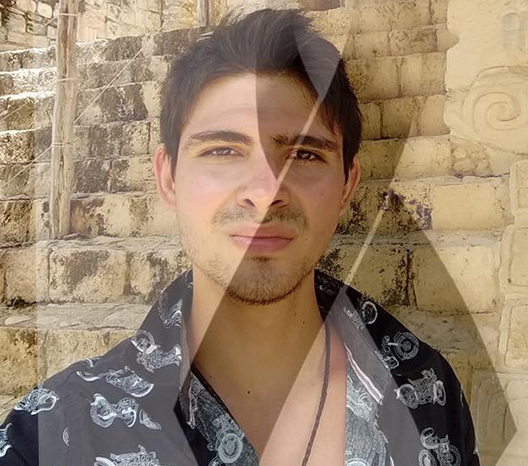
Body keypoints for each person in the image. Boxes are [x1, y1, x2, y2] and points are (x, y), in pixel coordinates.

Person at [0, 8, 480, 466]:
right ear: (168, 177)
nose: (265, 193)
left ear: (347, 185)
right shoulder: (54, 436)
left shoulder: (428, 394)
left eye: (305, 155)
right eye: (223, 150)